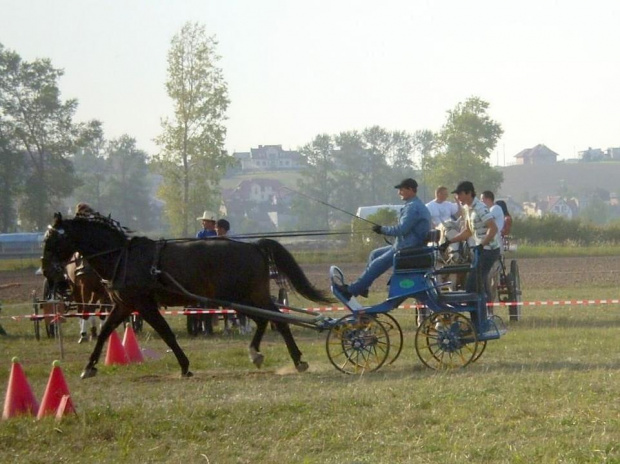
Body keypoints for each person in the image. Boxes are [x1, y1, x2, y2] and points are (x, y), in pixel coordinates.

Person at [336, 178, 431, 299]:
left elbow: (401, 229)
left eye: (401, 189)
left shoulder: (413, 208)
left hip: (407, 249)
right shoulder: (415, 205)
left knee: (376, 264)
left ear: (411, 190)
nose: (399, 193)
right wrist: (382, 229)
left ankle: (351, 291)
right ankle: (363, 288)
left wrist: (382, 230)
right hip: (408, 245)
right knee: (374, 254)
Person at [441, 181, 500, 305]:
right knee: (477, 285)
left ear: (469, 193)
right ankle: (480, 318)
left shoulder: (480, 208)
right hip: (481, 250)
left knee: (473, 285)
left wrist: (482, 244)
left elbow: (493, 228)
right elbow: (467, 232)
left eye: (459, 194)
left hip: (489, 250)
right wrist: (449, 242)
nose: (458, 198)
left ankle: (481, 317)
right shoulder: (467, 209)